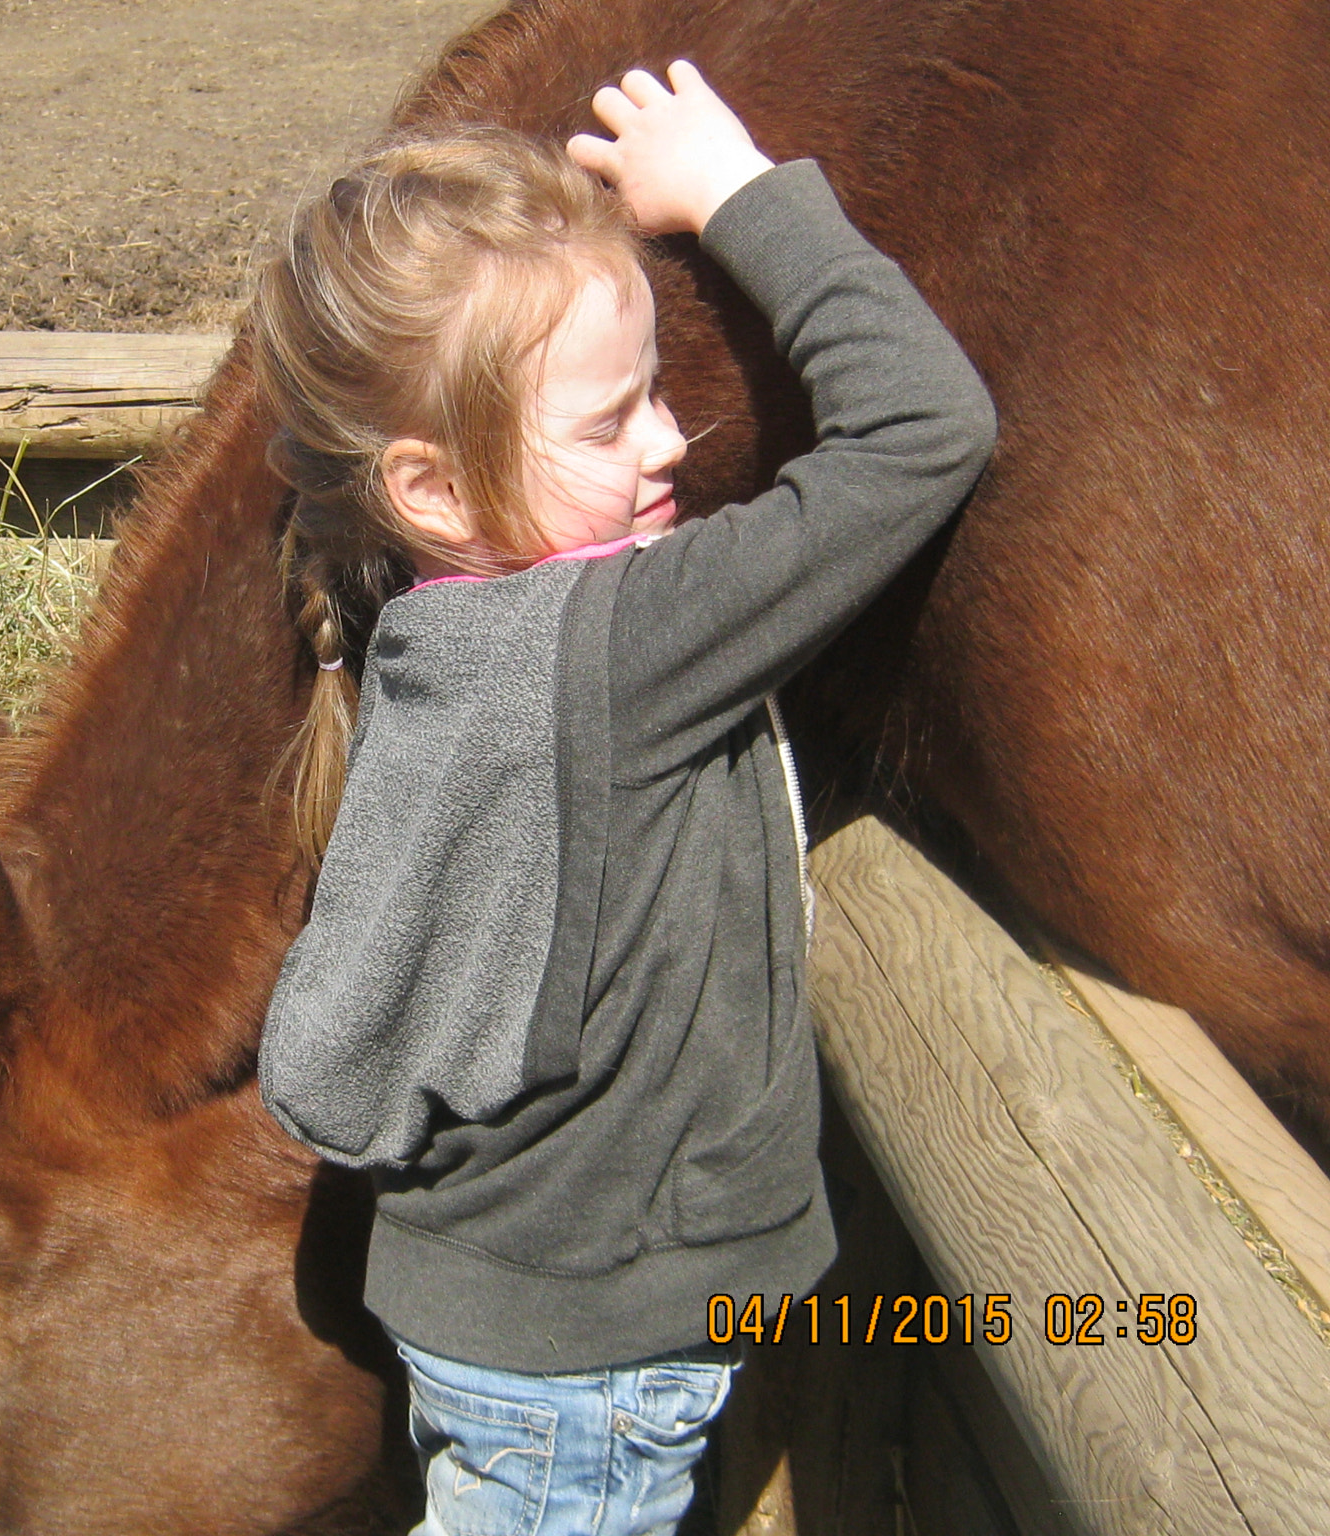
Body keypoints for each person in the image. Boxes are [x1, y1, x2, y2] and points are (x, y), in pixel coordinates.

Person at [251, 62, 996, 1536]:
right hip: (588, 1377)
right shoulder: (621, 649)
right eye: (609, 422)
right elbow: (925, 429)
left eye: (657, 389)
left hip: (502, 1326)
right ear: (435, 491)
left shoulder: (428, 621)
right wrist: (736, 194)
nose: (669, 443)